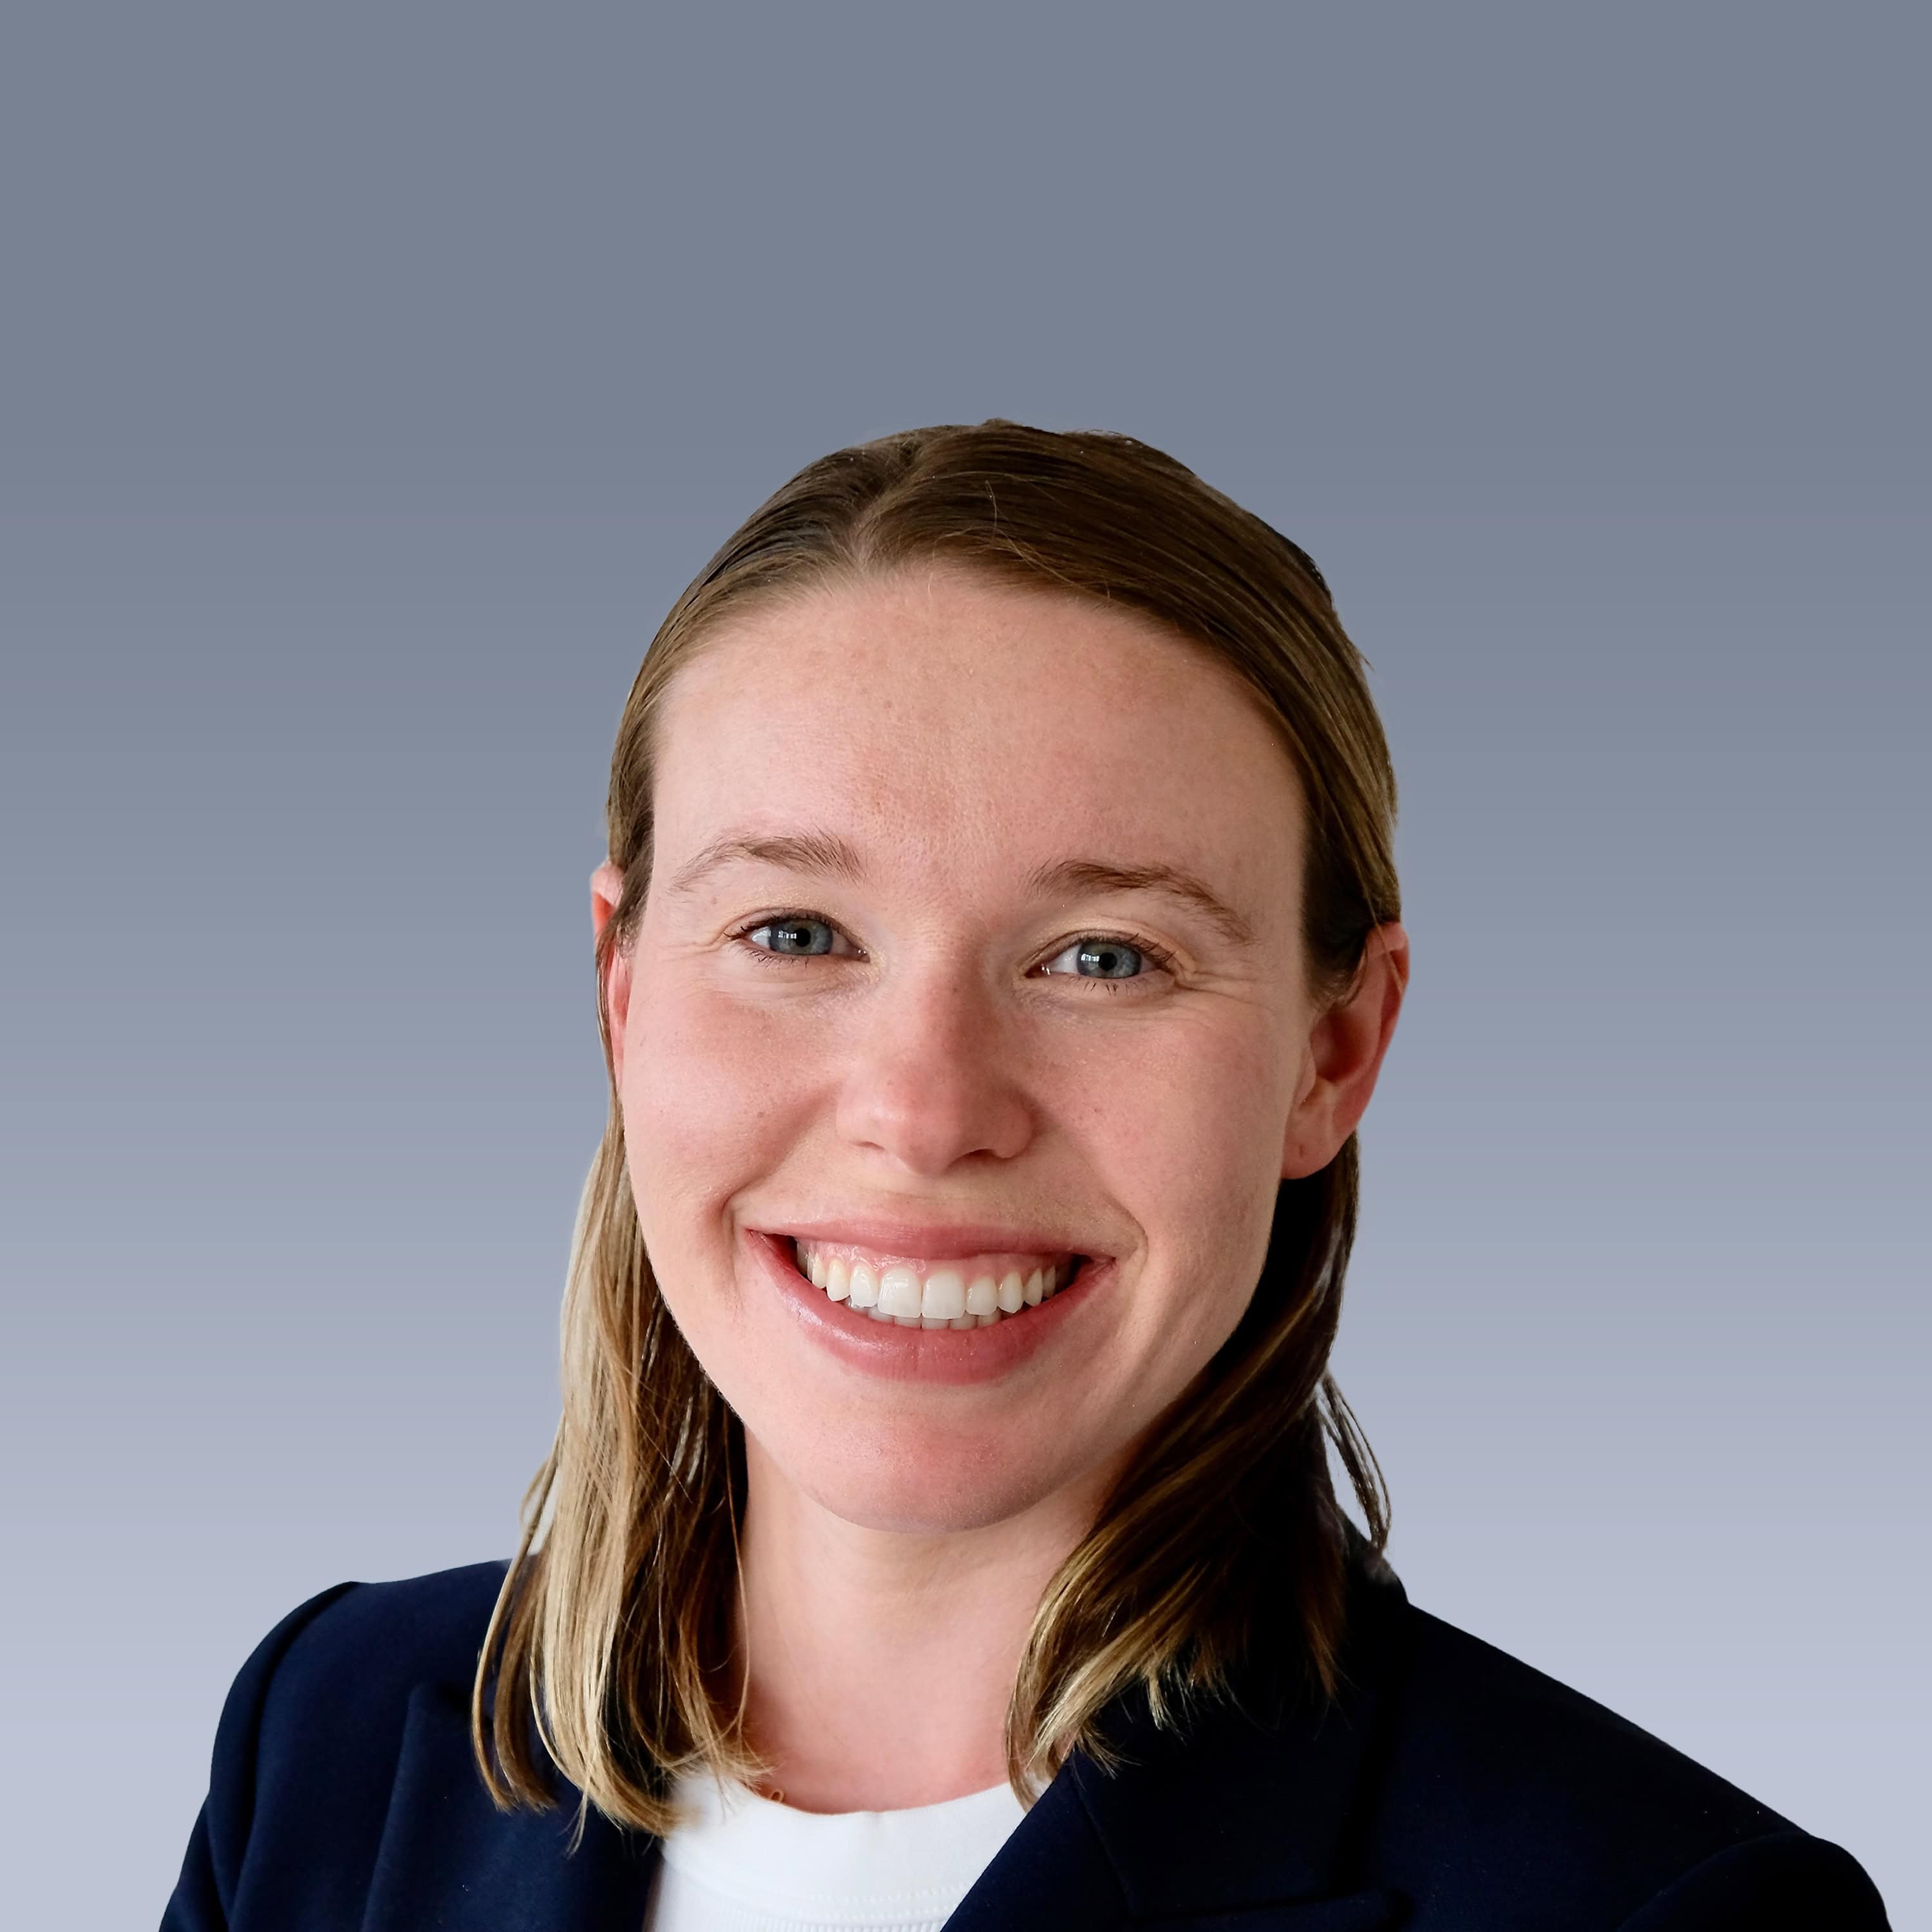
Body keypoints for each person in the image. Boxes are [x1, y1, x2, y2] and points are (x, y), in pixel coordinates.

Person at [162, 422, 1891, 1931]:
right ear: (620, 995)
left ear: (1334, 1051)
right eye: (794, 931)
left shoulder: (1656, 1909)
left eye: (1105, 958)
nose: (926, 1113)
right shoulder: (331, 1744)